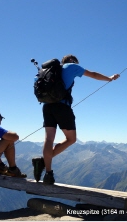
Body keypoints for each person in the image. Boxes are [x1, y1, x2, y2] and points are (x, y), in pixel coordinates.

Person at [32, 54, 120, 184]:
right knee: (71, 139)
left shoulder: (43, 73)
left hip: (46, 107)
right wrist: (109, 78)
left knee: (48, 139)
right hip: (62, 107)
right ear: (72, 60)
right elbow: (93, 74)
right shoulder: (71, 66)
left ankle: (48, 173)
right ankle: (43, 161)